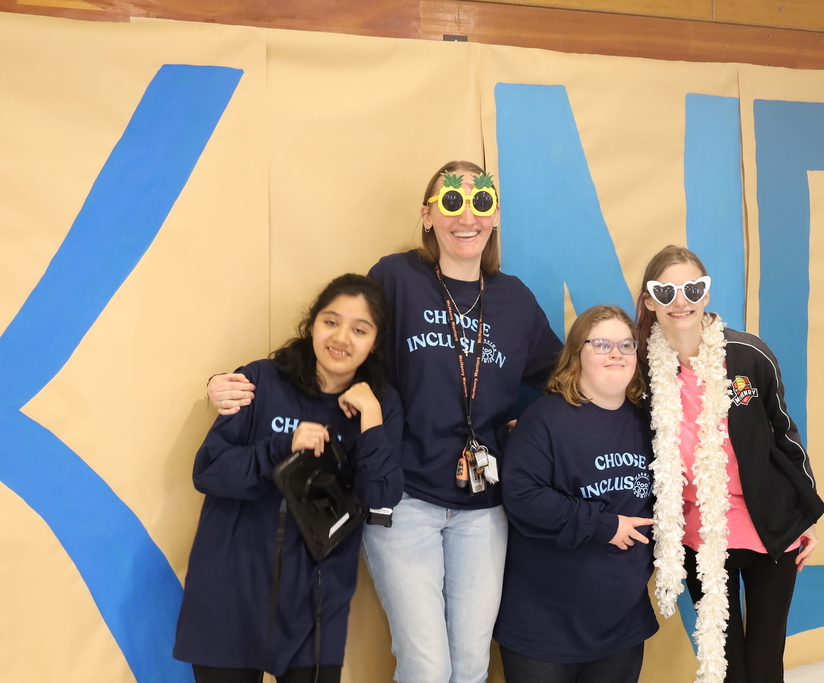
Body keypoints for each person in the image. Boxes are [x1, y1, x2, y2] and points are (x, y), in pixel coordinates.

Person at [208, 161, 563, 683]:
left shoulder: (515, 300)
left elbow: (564, 377)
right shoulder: (397, 278)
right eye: (451, 203)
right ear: (427, 215)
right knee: (426, 666)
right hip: (403, 498)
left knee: (469, 667)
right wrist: (235, 381)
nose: (467, 216)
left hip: (484, 508)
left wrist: (528, 431)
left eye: (481, 203)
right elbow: (342, 345)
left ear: (495, 217)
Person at [175, 274, 404, 683]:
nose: (341, 338)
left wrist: (371, 419)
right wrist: (282, 447)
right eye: (331, 321)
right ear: (312, 324)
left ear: (375, 342)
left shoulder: (380, 402)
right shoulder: (261, 380)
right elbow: (209, 469)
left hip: (315, 605)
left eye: (360, 329)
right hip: (232, 588)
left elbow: (380, 497)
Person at [636, 245, 824, 683]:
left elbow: (785, 433)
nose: (680, 301)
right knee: (726, 668)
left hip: (769, 528)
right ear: (650, 301)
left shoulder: (748, 355)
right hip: (699, 538)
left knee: (763, 664)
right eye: (666, 291)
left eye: (692, 289)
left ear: (706, 294)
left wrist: (807, 515)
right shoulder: (643, 370)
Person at [494, 305, 658, 683]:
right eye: (601, 344)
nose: (616, 353)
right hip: (543, 630)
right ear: (576, 355)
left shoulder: (650, 422)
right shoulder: (544, 419)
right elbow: (522, 496)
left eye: (626, 345)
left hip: (622, 625)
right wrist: (604, 525)